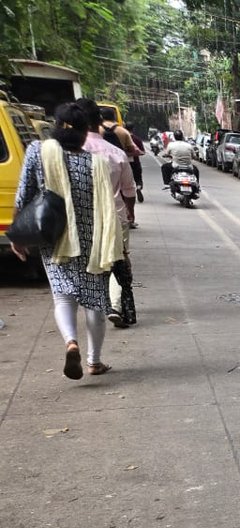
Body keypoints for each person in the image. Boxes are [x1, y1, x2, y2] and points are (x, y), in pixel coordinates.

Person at [12, 102, 124, 379]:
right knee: (95, 302)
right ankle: (94, 361)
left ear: (57, 126)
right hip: (93, 241)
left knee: (63, 297)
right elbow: (106, 206)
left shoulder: (39, 151)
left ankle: (70, 342)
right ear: (86, 131)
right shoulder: (94, 162)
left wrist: (18, 233)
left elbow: (24, 193)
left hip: (55, 237)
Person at [80, 98, 138, 327]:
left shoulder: (71, 153)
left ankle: (94, 303)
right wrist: (131, 212)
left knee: (92, 263)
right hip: (116, 214)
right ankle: (114, 303)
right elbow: (129, 189)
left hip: (84, 218)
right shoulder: (115, 151)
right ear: (99, 123)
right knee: (118, 258)